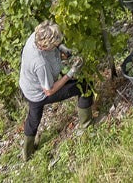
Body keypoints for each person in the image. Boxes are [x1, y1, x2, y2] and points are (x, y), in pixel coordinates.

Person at [19, 20, 93, 160]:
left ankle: (26, 153)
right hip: (39, 93)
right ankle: (87, 124)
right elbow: (49, 91)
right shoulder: (40, 63)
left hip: (28, 85)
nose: (57, 43)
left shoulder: (36, 36)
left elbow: (55, 44)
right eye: (55, 43)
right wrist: (71, 72)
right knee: (84, 86)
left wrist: (62, 49)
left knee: (33, 119)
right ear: (45, 45)